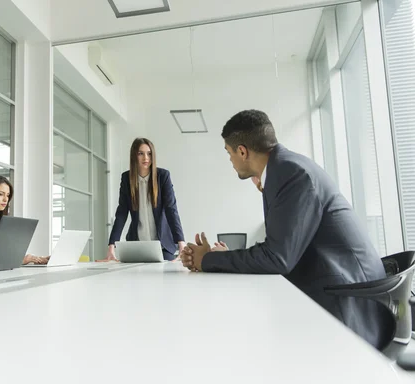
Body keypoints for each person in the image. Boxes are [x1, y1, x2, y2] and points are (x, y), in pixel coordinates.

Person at [181, 109, 388, 349]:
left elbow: (276, 258)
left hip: (349, 305)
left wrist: (207, 259)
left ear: (242, 151)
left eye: (229, 154)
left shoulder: (291, 174)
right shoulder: (284, 168)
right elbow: (281, 249)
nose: (230, 161)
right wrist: (218, 257)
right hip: (340, 289)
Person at [102, 137, 185, 262]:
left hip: (163, 246)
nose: (146, 158)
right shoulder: (126, 179)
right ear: (134, 156)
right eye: (141, 153)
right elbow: (121, 213)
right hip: (137, 245)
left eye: (149, 153)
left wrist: (181, 243)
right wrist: (111, 246)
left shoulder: (163, 176)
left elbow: (171, 210)